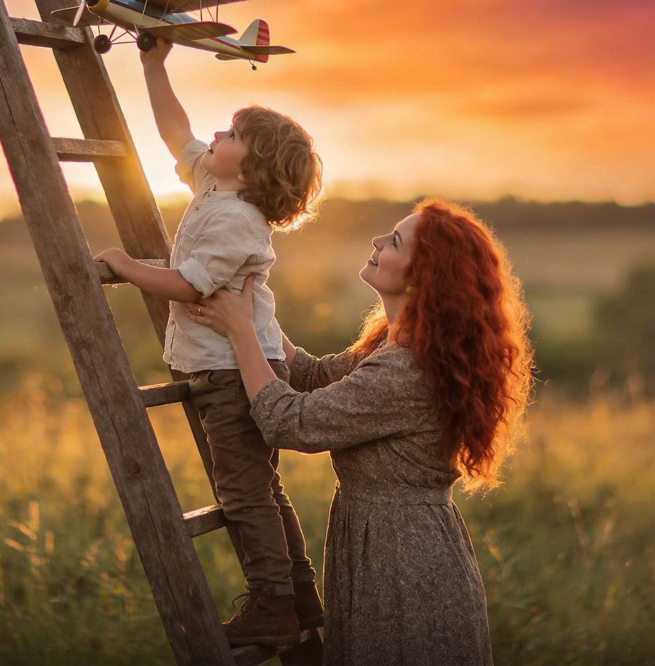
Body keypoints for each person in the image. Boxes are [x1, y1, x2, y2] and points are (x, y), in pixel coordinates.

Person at [186, 198, 535, 666]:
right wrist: (253, 311)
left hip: (406, 563)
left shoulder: (407, 371)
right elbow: (310, 375)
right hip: (384, 547)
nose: (377, 240)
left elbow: (291, 422)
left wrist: (241, 333)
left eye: (394, 241)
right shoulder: (394, 350)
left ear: (422, 278)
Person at [95, 38, 324, 647]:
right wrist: (153, 65)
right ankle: (299, 595)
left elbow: (190, 285)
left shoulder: (236, 220)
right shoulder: (216, 186)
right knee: (262, 486)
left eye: (232, 134)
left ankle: (273, 603)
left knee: (244, 491)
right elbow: (178, 135)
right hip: (227, 364)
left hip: (232, 371)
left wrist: (126, 267)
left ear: (247, 171)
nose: (217, 135)